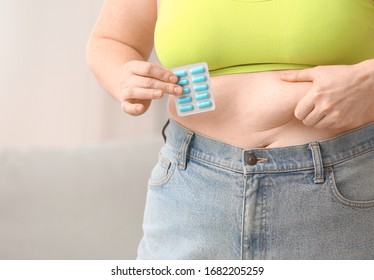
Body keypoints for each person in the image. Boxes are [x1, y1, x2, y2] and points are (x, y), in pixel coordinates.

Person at [86, 0, 374, 260]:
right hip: (191, 189)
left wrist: (367, 79)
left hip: (340, 190)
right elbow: (111, 40)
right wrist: (122, 77)